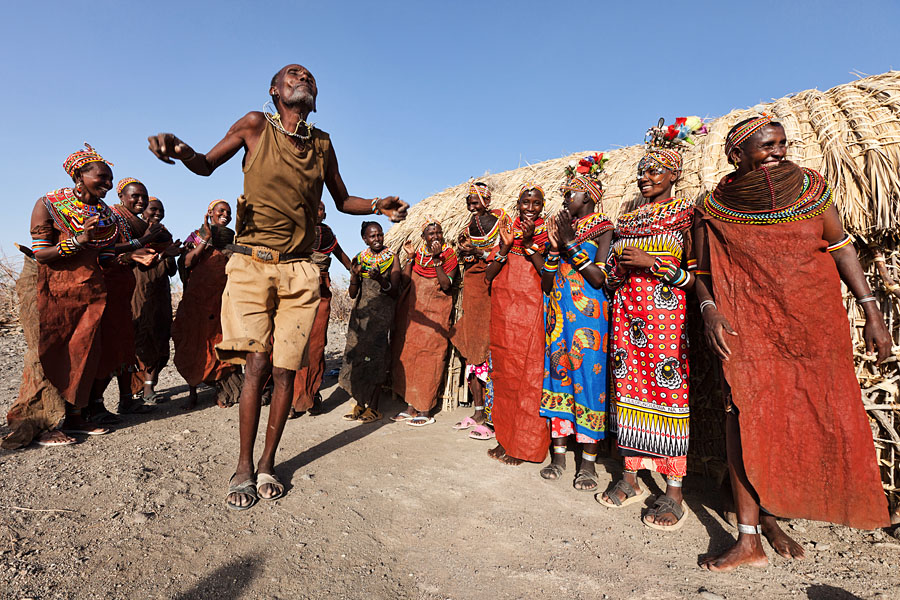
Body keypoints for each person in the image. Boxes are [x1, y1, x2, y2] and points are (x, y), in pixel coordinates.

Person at [148, 63, 408, 510]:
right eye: (293, 74)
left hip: (301, 270)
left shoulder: (322, 143)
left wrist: (378, 204)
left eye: (309, 77)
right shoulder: (254, 126)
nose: (303, 78)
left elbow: (341, 200)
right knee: (257, 362)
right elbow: (207, 165)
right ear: (274, 90)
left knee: (286, 369)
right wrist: (183, 149)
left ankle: (268, 461)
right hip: (251, 264)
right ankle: (244, 467)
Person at [694, 115, 892, 570]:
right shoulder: (714, 207)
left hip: (812, 326)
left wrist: (871, 309)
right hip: (747, 327)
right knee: (743, 419)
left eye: (782, 143)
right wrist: (710, 312)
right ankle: (748, 541)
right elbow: (702, 274)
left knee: (815, 413)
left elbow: (841, 246)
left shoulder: (813, 190)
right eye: (766, 146)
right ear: (736, 155)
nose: (778, 152)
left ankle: (776, 515)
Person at [4, 144, 154, 448]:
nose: (109, 185)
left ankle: (75, 416)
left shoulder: (104, 215)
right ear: (79, 176)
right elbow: (42, 254)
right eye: (102, 178)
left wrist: (139, 245)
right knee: (48, 352)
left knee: (85, 351)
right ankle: (41, 423)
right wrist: (76, 241)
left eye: (111, 179)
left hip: (87, 290)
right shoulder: (49, 204)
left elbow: (107, 252)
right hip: (48, 288)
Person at [598, 120, 701, 531]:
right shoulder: (626, 218)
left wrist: (652, 264)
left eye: (654, 170)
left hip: (665, 325)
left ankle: (674, 492)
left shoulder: (686, 216)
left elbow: (696, 277)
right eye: (641, 172)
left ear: (674, 174)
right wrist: (618, 273)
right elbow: (609, 273)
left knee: (667, 399)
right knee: (627, 394)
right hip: (625, 321)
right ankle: (630, 477)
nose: (645, 178)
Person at [539, 156, 614, 492]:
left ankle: (588, 462)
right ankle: (558, 455)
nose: (566, 199)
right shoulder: (556, 229)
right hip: (557, 317)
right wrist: (554, 249)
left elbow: (599, 278)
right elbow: (546, 280)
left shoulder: (604, 228)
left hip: (590, 318)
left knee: (589, 380)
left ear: (589, 196)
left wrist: (570, 244)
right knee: (558, 377)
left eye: (571, 194)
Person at [89, 179, 172, 422]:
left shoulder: (135, 223)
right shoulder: (112, 216)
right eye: (135, 196)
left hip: (124, 289)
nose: (140, 201)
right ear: (121, 196)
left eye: (143, 197)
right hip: (108, 287)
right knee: (110, 346)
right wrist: (141, 244)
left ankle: (127, 400)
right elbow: (104, 251)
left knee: (125, 345)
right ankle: (94, 406)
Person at [483, 183, 552, 465]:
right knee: (506, 377)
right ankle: (505, 438)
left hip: (532, 313)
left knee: (530, 378)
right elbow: (489, 273)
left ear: (542, 207)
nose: (530, 208)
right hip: (505, 314)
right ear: (518, 204)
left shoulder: (548, 236)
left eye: (536, 203)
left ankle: (525, 446)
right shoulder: (505, 231)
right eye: (526, 202)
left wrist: (529, 244)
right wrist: (506, 247)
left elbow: (548, 278)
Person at [173, 200, 243, 410]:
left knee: (223, 343)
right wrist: (206, 240)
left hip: (223, 300)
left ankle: (225, 391)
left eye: (229, 212)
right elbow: (185, 263)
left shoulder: (232, 237)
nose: (226, 215)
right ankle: (193, 390)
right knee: (194, 342)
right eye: (221, 211)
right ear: (210, 212)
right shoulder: (197, 235)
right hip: (197, 301)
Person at [391, 221, 460, 426]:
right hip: (415, 316)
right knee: (409, 355)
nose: (436, 236)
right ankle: (411, 406)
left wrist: (437, 260)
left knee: (430, 358)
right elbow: (405, 282)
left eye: (439, 232)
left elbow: (446, 284)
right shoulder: (418, 256)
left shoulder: (449, 255)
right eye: (431, 233)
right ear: (424, 237)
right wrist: (410, 259)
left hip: (435, 317)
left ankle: (425, 408)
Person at [288, 200, 352, 419]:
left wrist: (356, 271)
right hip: (296, 294)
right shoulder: (295, 231)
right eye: (316, 207)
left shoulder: (327, 234)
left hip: (321, 294)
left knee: (316, 346)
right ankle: (290, 399)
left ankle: (312, 395)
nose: (320, 212)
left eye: (322, 209)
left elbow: (342, 256)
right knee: (294, 346)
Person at [450, 182, 502, 438]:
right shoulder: (468, 228)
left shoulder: (499, 222)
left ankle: (492, 417)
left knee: (488, 349)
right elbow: (469, 259)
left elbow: (502, 255)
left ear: (486, 200)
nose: (471, 202)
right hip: (472, 290)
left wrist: (479, 252)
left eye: (475, 198)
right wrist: (468, 252)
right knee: (471, 348)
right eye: (469, 198)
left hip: (490, 288)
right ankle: (478, 410)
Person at [339, 221, 400, 423]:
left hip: (381, 318)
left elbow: (394, 291)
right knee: (357, 358)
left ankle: (374, 408)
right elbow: (353, 293)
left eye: (379, 235)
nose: (377, 239)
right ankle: (360, 403)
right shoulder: (360, 259)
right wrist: (355, 276)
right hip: (360, 317)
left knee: (376, 360)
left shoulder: (392, 259)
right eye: (372, 236)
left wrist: (381, 280)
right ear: (365, 239)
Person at [130, 196, 180, 404]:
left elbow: (172, 270)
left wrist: (171, 255)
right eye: (153, 209)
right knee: (141, 335)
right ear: (144, 212)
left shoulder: (165, 234)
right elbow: (137, 261)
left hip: (160, 292)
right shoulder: (135, 233)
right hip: (139, 289)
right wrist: (162, 255)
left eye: (161, 209)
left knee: (159, 334)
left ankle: (150, 387)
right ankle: (136, 388)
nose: (158, 213)